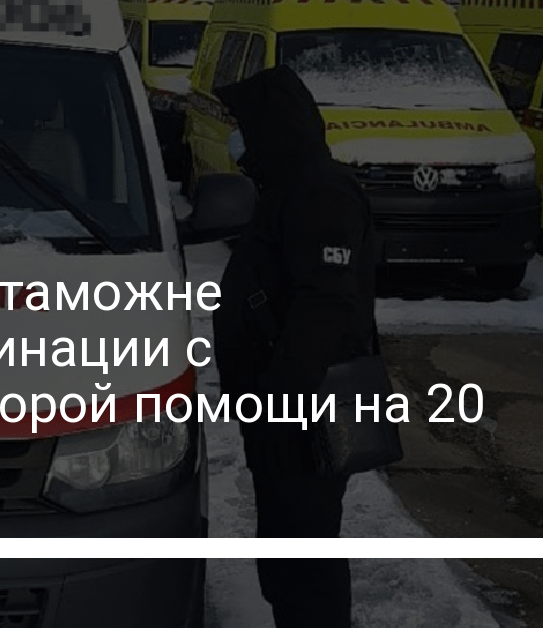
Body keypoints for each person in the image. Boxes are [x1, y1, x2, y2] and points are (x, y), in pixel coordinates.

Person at [211, 65, 378, 627]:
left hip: (306, 412)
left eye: (243, 123)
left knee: (305, 555)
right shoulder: (289, 186)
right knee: (287, 550)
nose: (236, 136)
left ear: (272, 125)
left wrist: (279, 399)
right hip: (285, 409)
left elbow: (326, 304)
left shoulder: (319, 190)